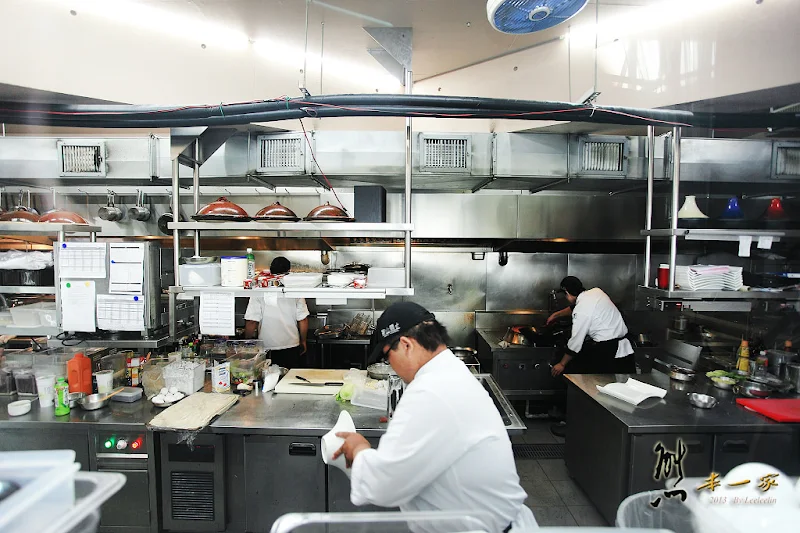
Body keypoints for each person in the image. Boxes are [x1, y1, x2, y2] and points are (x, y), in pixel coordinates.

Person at [332, 302, 537, 532]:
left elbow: (383, 485)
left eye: (388, 357)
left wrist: (359, 449)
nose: (390, 366)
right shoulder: (451, 373)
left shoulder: (430, 391)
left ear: (406, 345)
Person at [547, 276, 635, 377]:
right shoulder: (596, 292)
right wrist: (556, 315)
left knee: (602, 385)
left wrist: (562, 364)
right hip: (626, 349)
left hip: (608, 352)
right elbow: (576, 306)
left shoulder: (580, 311)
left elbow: (576, 342)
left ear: (567, 292)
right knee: (624, 387)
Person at [244, 256, 309, 368]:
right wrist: (303, 340)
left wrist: (247, 344)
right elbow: (303, 319)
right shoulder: (294, 288)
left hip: (267, 346)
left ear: (271, 270)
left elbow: (251, 322)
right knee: (288, 380)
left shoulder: (259, 289)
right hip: (291, 345)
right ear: (289, 270)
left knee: (267, 380)